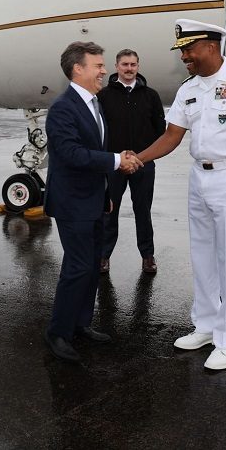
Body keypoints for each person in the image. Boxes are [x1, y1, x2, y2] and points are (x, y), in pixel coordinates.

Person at [136, 19, 226, 370]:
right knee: (201, 255)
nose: (184, 56)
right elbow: (171, 136)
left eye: (189, 49)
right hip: (199, 177)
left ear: (211, 46)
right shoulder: (188, 88)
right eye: (182, 51)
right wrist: (137, 159)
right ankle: (205, 325)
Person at [43, 41, 142, 363]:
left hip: (94, 200)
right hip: (72, 202)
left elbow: (94, 150)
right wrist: (117, 160)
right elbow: (71, 154)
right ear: (78, 69)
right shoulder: (63, 108)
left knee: (92, 266)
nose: (104, 70)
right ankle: (58, 333)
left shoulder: (93, 103)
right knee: (77, 267)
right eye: (98, 65)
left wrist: (106, 195)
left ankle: (81, 323)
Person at [97, 49, 165, 274]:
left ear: (138, 66)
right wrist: (114, 157)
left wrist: (142, 155)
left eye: (133, 64)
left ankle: (148, 256)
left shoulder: (151, 96)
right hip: (113, 164)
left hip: (143, 164)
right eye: (125, 64)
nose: (129, 69)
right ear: (117, 66)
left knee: (143, 212)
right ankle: (103, 256)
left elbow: (160, 130)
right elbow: (99, 130)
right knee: (109, 211)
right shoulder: (103, 96)